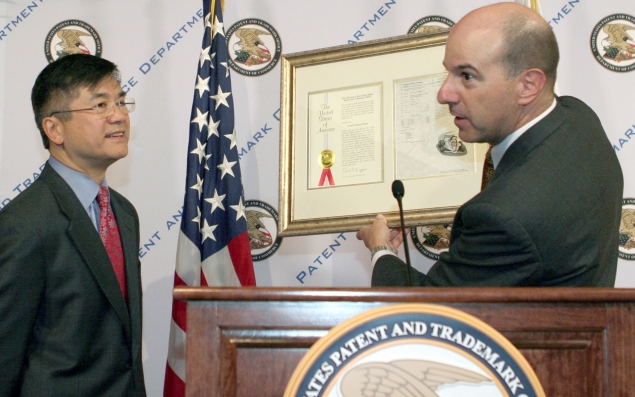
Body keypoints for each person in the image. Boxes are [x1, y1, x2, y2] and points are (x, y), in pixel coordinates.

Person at [357, 2, 623, 287]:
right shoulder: (578, 117)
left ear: (528, 85)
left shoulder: (503, 219)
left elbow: (430, 308)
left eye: (467, 76)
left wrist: (380, 249)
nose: (443, 94)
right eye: (448, 73)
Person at [0, 54, 146, 396]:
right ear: (54, 128)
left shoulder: (123, 213)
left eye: (121, 101)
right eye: (99, 105)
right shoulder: (24, 223)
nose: (118, 115)